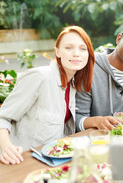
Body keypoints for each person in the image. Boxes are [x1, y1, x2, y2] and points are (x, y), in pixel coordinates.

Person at [0, 26, 95, 165]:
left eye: (82, 48)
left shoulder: (72, 83)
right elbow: (3, 116)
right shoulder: (40, 77)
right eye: (69, 48)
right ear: (57, 51)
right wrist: (6, 146)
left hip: (51, 162)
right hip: (21, 161)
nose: (76, 53)